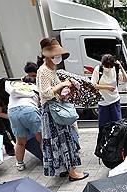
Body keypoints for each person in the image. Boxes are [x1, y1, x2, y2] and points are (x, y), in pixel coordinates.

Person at [36, 37, 88, 181]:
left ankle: (65, 169)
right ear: (46, 54)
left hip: (54, 111)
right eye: (55, 54)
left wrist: (65, 87)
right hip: (52, 112)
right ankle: (72, 172)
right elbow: (45, 92)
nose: (58, 57)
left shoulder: (51, 69)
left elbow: (53, 90)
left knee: (61, 140)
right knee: (64, 139)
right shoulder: (44, 71)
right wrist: (62, 84)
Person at [4, 79, 42, 171]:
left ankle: (20, 164)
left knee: (20, 142)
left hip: (12, 112)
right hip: (29, 109)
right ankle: (49, 159)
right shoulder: (35, 88)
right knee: (41, 138)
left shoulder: (15, 87)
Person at [91, 54, 127, 129]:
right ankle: (104, 140)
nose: (108, 68)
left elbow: (126, 80)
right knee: (103, 127)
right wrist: (107, 87)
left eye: (110, 66)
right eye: (106, 66)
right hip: (103, 102)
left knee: (118, 126)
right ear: (103, 64)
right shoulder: (98, 69)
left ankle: (117, 140)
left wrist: (121, 67)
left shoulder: (115, 69)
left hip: (115, 100)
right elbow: (93, 85)